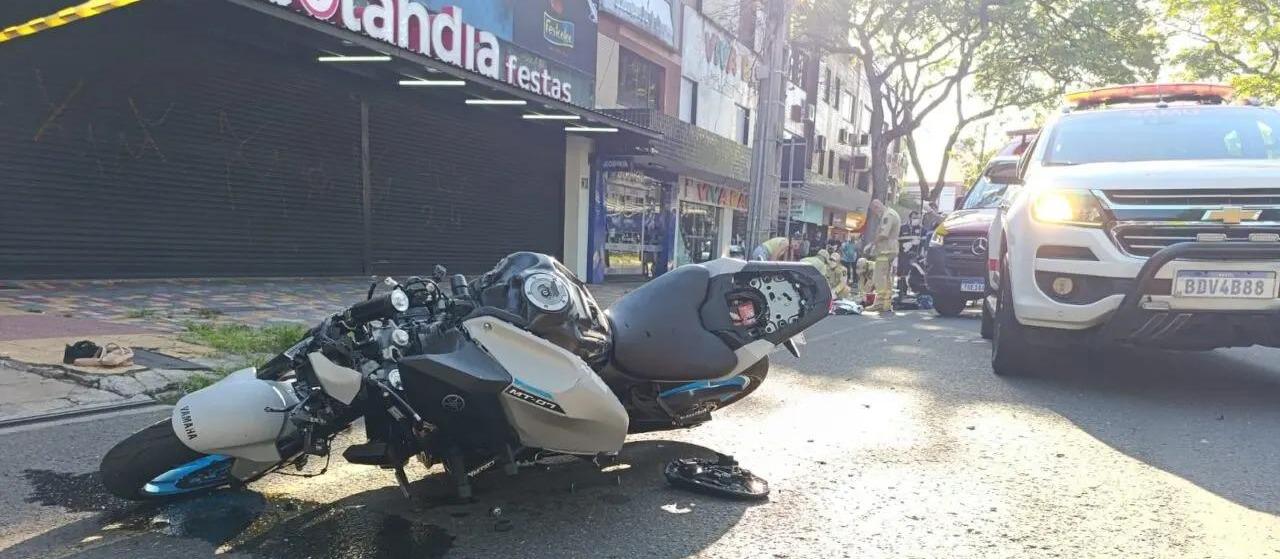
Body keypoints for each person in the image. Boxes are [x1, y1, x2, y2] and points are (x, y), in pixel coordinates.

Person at [866, 199, 901, 312]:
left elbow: (884, 234)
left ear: (877, 207)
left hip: (885, 250)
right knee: (886, 277)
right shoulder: (892, 213)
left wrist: (872, 244)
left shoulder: (887, 215)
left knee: (878, 276)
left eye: (874, 211)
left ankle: (880, 302)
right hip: (891, 249)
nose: (876, 214)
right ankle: (886, 302)